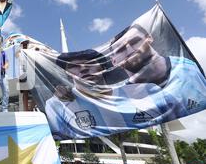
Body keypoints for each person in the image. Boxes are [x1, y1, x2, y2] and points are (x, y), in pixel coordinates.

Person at [45, 49, 181, 139]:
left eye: (90, 62)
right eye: (74, 66)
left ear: (102, 67)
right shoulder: (57, 104)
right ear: (66, 74)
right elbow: (54, 137)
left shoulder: (144, 91)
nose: (83, 68)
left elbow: (176, 108)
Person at [109, 24, 206, 115]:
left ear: (149, 38)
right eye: (121, 49)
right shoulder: (118, 98)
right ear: (114, 61)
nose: (131, 50)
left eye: (135, 42)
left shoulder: (189, 69)